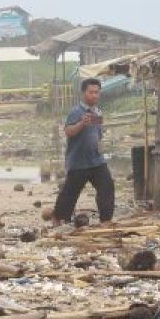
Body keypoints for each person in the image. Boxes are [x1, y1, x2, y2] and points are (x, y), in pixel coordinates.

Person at [52, 78, 115, 226]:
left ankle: (106, 220)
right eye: (91, 92)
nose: (94, 95)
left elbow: (98, 134)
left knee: (107, 187)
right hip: (79, 161)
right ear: (84, 93)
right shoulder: (76, 112)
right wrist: (81, 124)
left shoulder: (98, 112)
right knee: (70, 193)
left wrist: (101, 148)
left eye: (97, 92)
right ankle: (57, 218)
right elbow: (68, 131)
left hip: (97, 160)